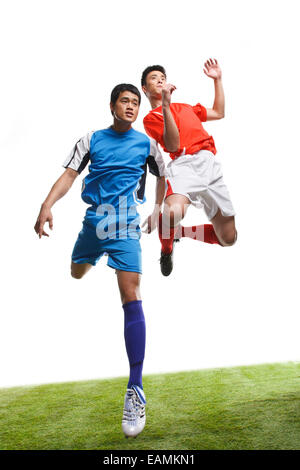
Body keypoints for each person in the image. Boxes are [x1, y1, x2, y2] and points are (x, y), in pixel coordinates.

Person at [34, 84, 165, 438]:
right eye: (125, 101)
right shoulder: (91, 139)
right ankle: (91, 256)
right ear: (111, 106)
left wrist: (157, 208)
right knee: (76, 272)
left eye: (136, 103)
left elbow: (164, 174)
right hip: (95, 221)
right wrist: (47, 205)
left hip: (125, 222)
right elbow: (69, 175)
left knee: (131, 294)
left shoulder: (146, 144)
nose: (131, 107)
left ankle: (135, 389)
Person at [141, 59, 237, 276]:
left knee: (228, 238)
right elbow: (173, 145)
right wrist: (165, 105)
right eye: (154, 78)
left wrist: (217, 80)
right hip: (184, 165)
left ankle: (180, 233)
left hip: (209, 164)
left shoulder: (186, 107)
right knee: (172, 212)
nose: (160, 80)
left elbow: (219, 112)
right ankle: (166, 249)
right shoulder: (151, 118)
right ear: (145, 89)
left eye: (163, 77)